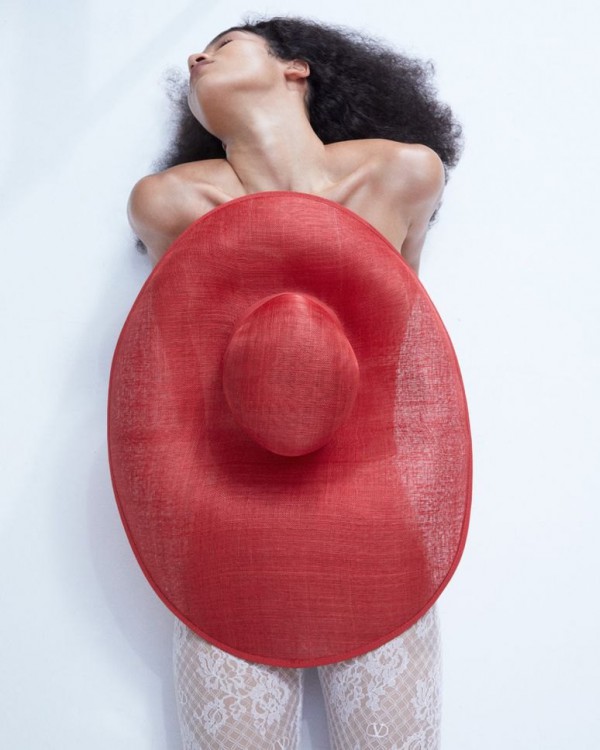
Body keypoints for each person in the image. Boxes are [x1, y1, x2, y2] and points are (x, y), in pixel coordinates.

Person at [126, 16, 463, 750]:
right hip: (228, 513)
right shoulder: (168, 204)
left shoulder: (404, 174)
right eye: (199, 54)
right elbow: (173, 370)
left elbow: (399, 347)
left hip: (370, 505)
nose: (197, 57)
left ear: (295, 69)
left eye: (224, 45)